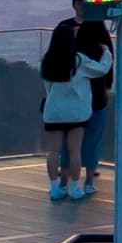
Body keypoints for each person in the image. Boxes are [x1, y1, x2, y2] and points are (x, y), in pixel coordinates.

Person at [35, 21, 93, 204]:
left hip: (54, 111)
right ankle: (75, 188)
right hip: (76, 113)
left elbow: (48, 86)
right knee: (75, 151)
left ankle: (55, 188)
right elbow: (100, 70)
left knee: (54, 152)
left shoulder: (46, 62)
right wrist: (106, 53)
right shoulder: (79, 60)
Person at [73, 13, 116, 198]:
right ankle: (89, 181)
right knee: (94, 140)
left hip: (76, 101)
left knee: (72, 142)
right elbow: (106, 71)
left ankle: (67, 180)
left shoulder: (76, 53)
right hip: (98, 99)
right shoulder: (103, 53)